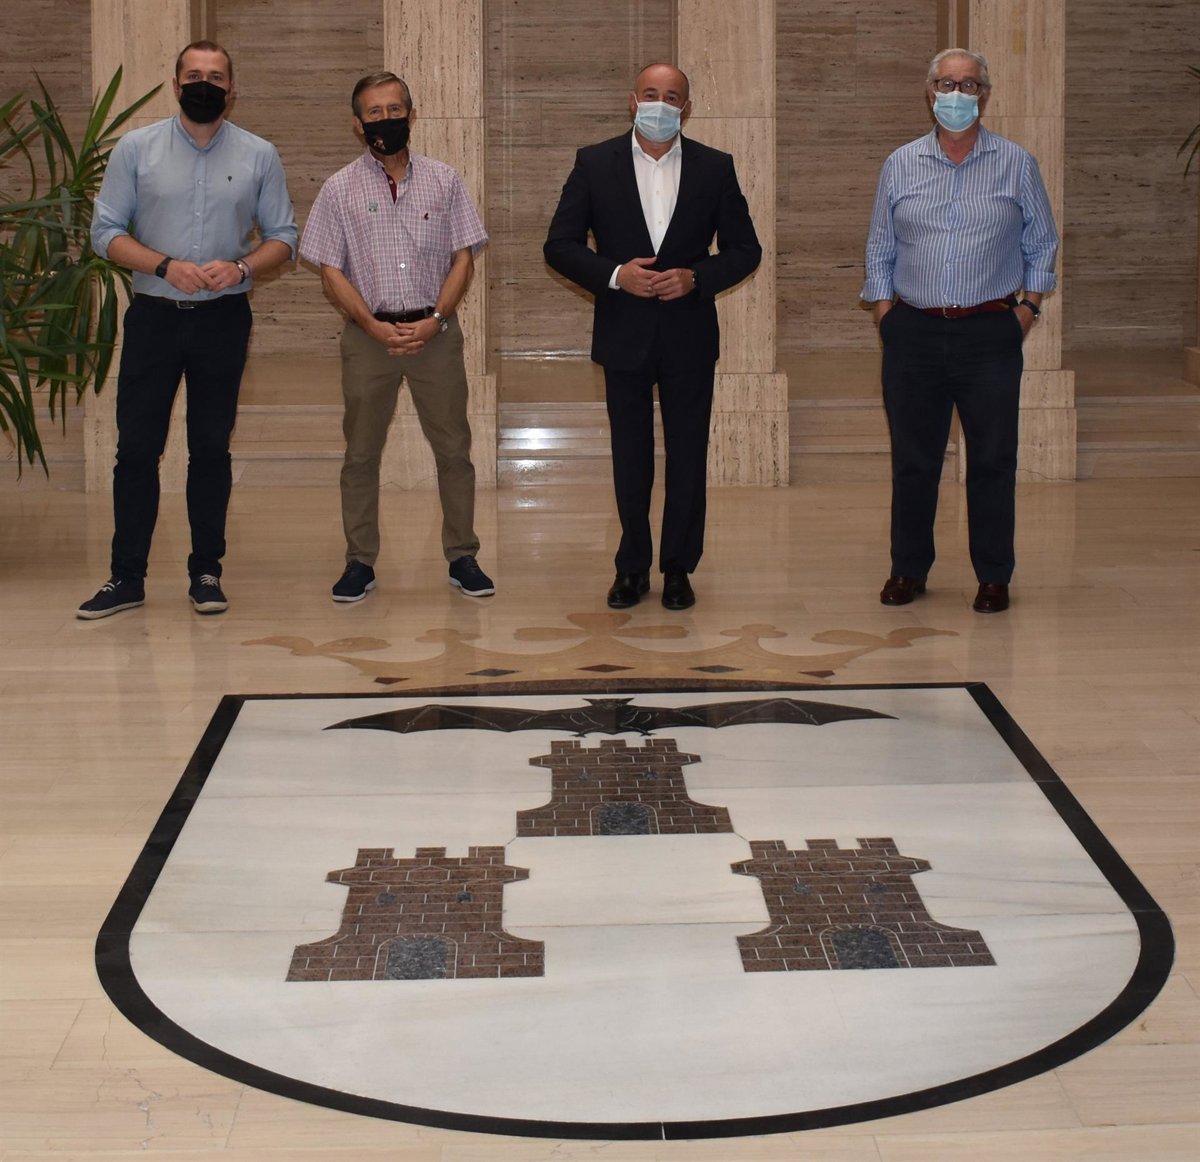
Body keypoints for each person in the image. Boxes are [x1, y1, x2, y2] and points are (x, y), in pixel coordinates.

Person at [78, 41, 297, 620]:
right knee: (136, 449)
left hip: (223, 319)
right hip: (153, 317)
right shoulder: (136, 148)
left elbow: (283, 236)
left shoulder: (259, 154)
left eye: (216, 76)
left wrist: (243, 266)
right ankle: (126, 577)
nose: (206, 84)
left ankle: (206, 572)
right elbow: (104, 232)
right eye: (194, 75)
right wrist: (164, 265)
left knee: (210, 448)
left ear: (232, 89)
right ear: (176, 85)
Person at [544, 63, 761, 611]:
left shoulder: (715, 166)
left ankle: (679, 567)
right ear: (632, 100)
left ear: (686, 108)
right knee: (630, 455)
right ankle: (632, 566)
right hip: (624, 332)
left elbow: (745, 250)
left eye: (671, 97)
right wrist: (616, 275)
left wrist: (697, 278)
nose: (660, 105)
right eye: (650, 94)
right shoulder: (594, 162)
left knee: (688, 454)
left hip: (690, 334)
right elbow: (559, 244)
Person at [862, 48, 1059, 614]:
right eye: (946, 84)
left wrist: (1028, 309)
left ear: (984, 96)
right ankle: (908, 569)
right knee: (913, 459)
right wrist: (885, 314)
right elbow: (880, 245)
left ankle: (994, 576)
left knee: (993, 459)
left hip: (990, 332)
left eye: (968, 85)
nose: (956, 94)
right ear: (930, 93)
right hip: (913, 332)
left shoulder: (1016, 163)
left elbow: (1042, 241)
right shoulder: (900, 163)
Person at [300, 71, 494, 603]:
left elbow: (463, 258)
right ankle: (359, 561)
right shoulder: (339, 188)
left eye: (394, 110)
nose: (385, 120)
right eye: (374, 113)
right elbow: (329, 269)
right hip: (369, 337)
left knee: (454, 449)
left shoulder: (444, 179)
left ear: (411, 114)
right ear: (358, 124)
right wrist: (370, 323)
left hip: (436, 334)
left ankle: (463, 556)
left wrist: (437, 318)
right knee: (361, 454)